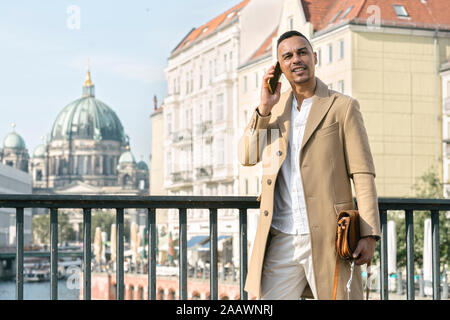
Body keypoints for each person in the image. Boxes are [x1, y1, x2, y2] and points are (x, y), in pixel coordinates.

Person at [238, 30, 381, 300]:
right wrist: (264, 108)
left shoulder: (342, 107)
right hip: (282, 238)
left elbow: (362, 173)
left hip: (331, 237)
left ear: (314, 57)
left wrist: (369, 233)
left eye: (302, 52)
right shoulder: (274, 113)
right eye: (287, 56)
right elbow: (247, 156)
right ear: (279, 68)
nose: (296, 60)